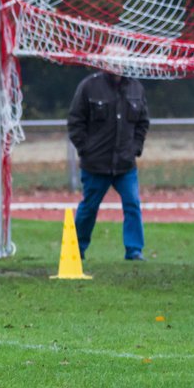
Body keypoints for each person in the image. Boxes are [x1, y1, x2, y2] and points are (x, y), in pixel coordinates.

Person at [66, 53, 151, 261]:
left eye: (122, 59)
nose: (118, 64)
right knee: (89, 208)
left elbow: (143, 122)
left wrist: (135, 149)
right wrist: (86, 149)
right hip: (96, 165)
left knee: (132, 204)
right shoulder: (89, 86)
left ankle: (134, 250)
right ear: (103, 62)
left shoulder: (136, 88)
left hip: (125, 164)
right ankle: (77, 249)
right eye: (113, 59)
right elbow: (75, 121)